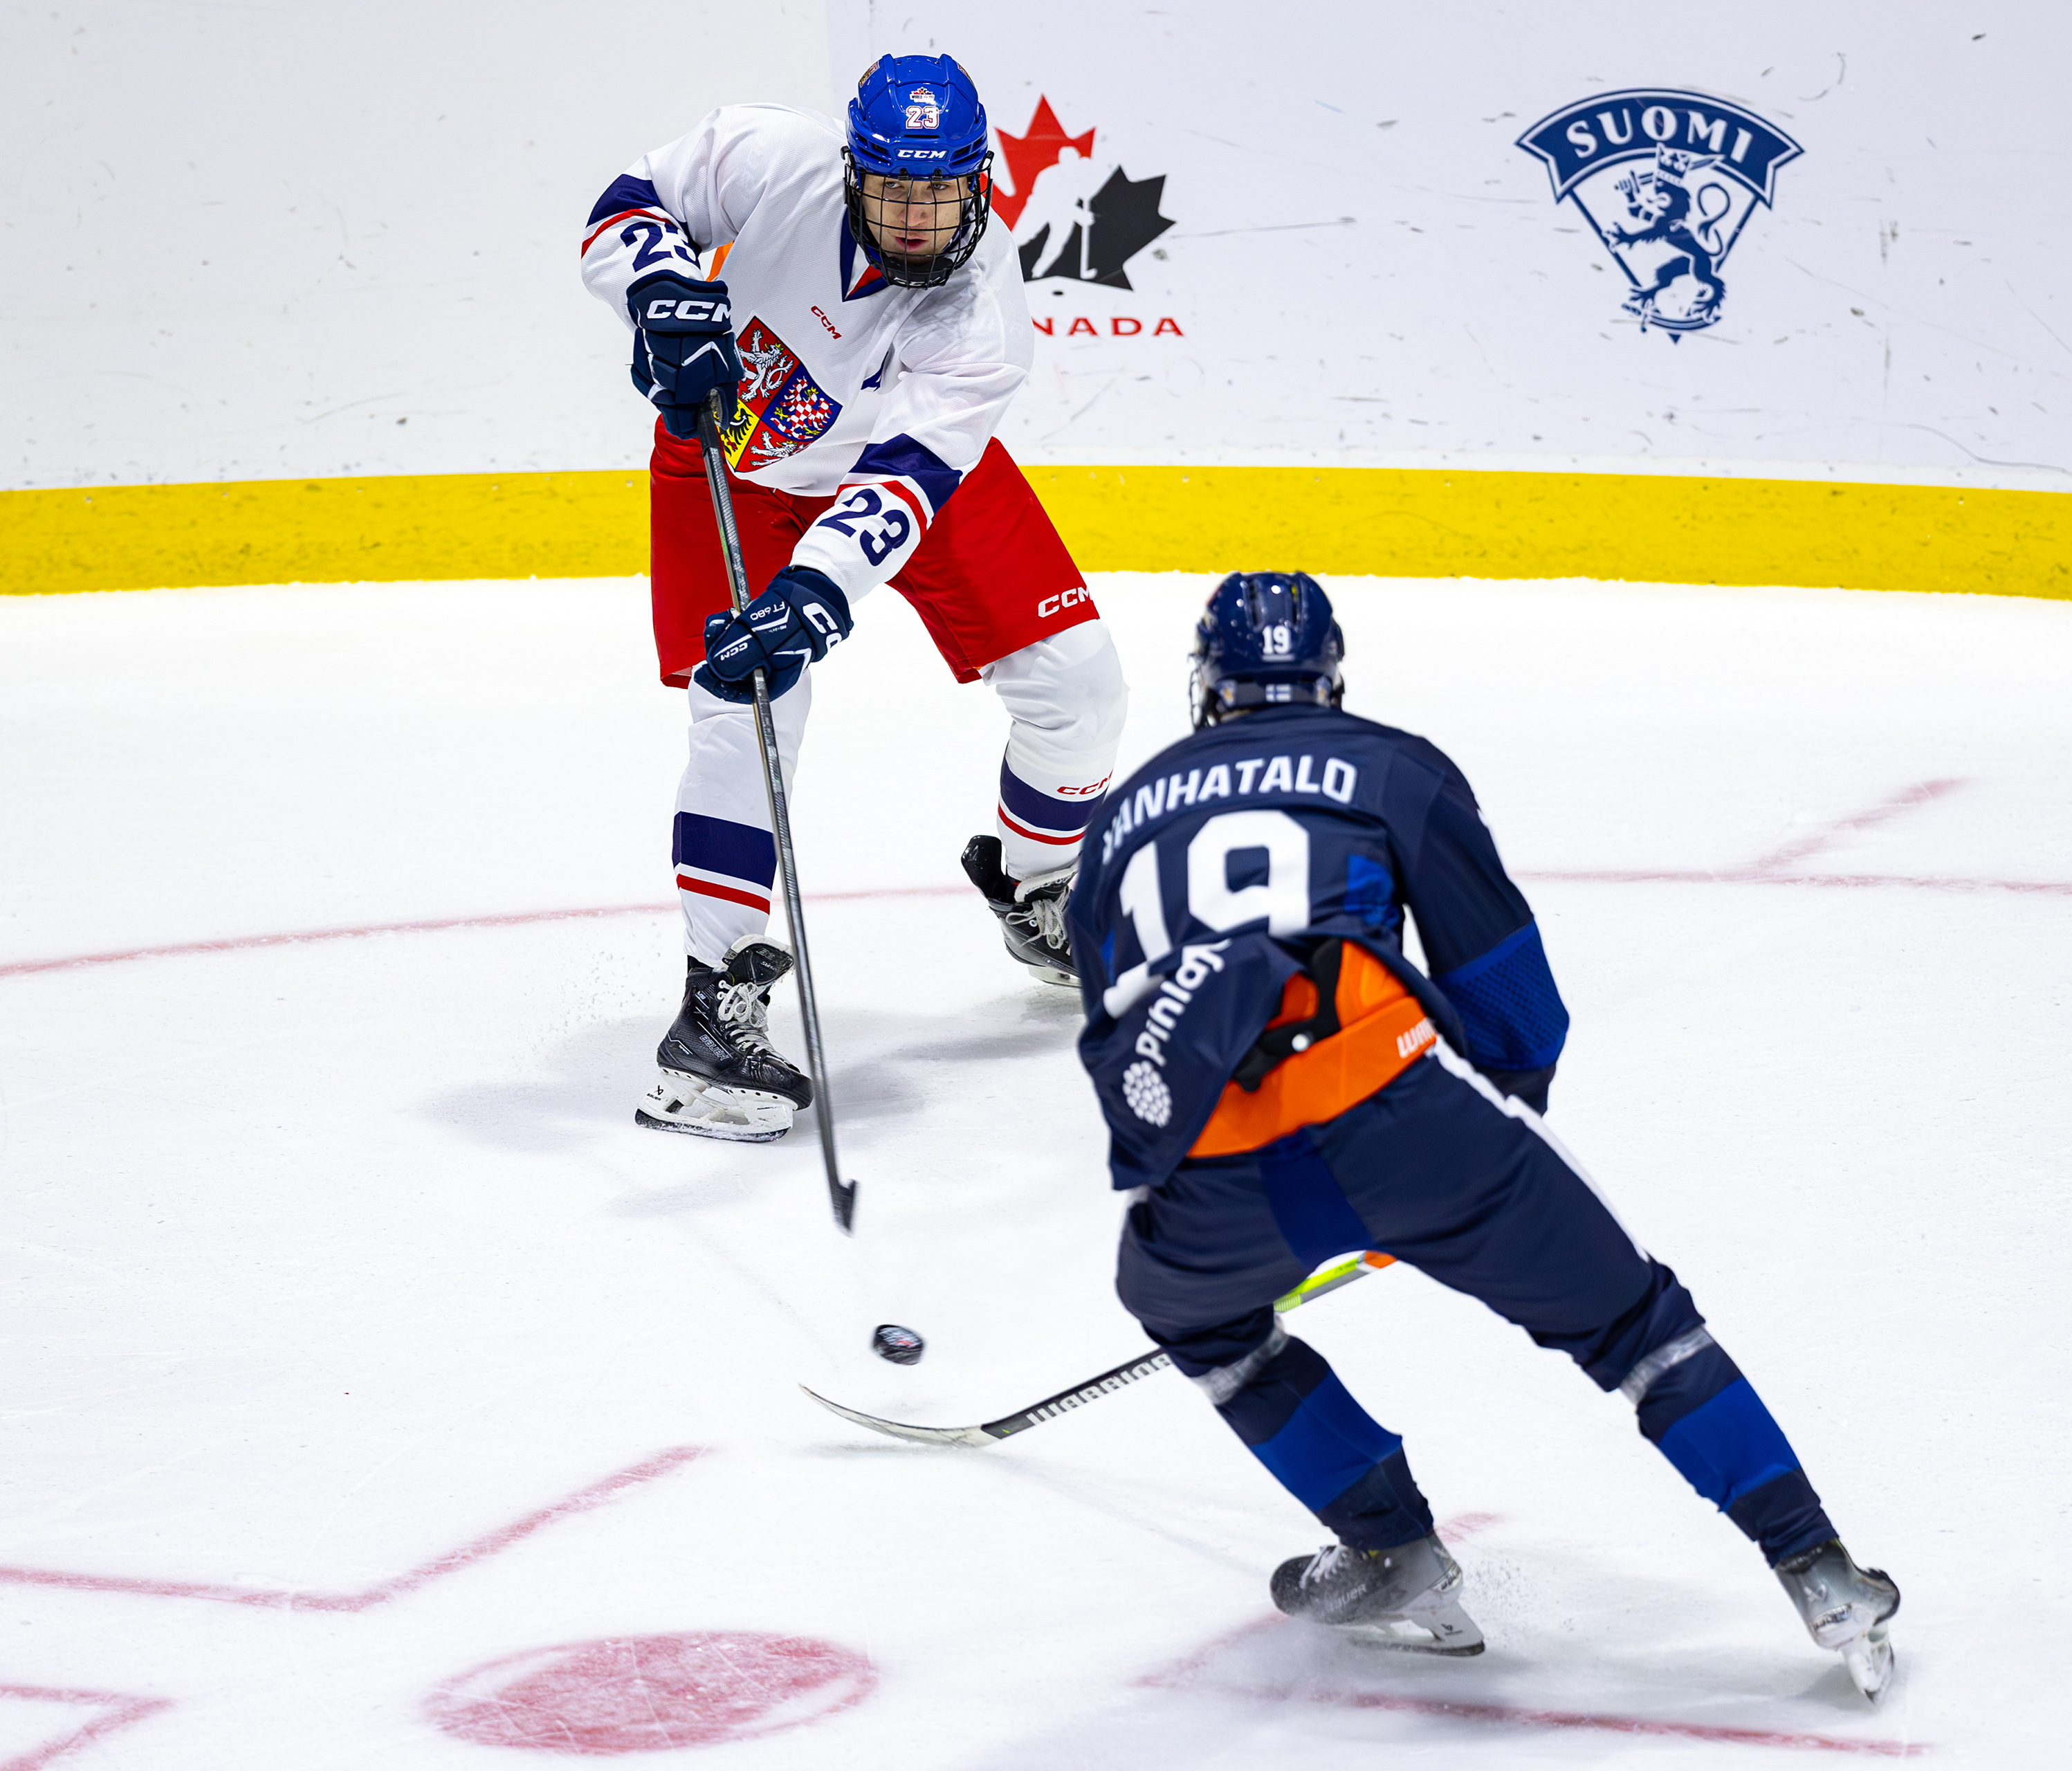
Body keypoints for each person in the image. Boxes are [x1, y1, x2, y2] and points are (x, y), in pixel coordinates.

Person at [1063, 573, 1901, 1696]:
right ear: (1330, 678)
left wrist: (1255, 1189)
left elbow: (1126, 1042)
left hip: (1220, 1170)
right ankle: (1819, 1570)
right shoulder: (1390, 767)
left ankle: (1389, 1549)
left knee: (1196, 1318)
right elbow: (1510, 997)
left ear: (1206, 687)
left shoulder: (1122, 818)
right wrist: (1476, 1163)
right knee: (1634, 1327)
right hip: (1411, 1115)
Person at [578, 54, 1128, 1142]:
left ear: (979, 182)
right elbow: (628, 203)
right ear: (850, 171)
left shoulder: (981, 310)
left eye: (941, 192)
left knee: (1079, 683)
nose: (917, 217)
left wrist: (816, 591)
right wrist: (656, 289)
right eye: (893, 189)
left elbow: (908, 481)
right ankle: (714, 1011)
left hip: (896, 473)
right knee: (746, 709)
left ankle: (1042, 890)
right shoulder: (768, 152)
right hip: (729, 463)